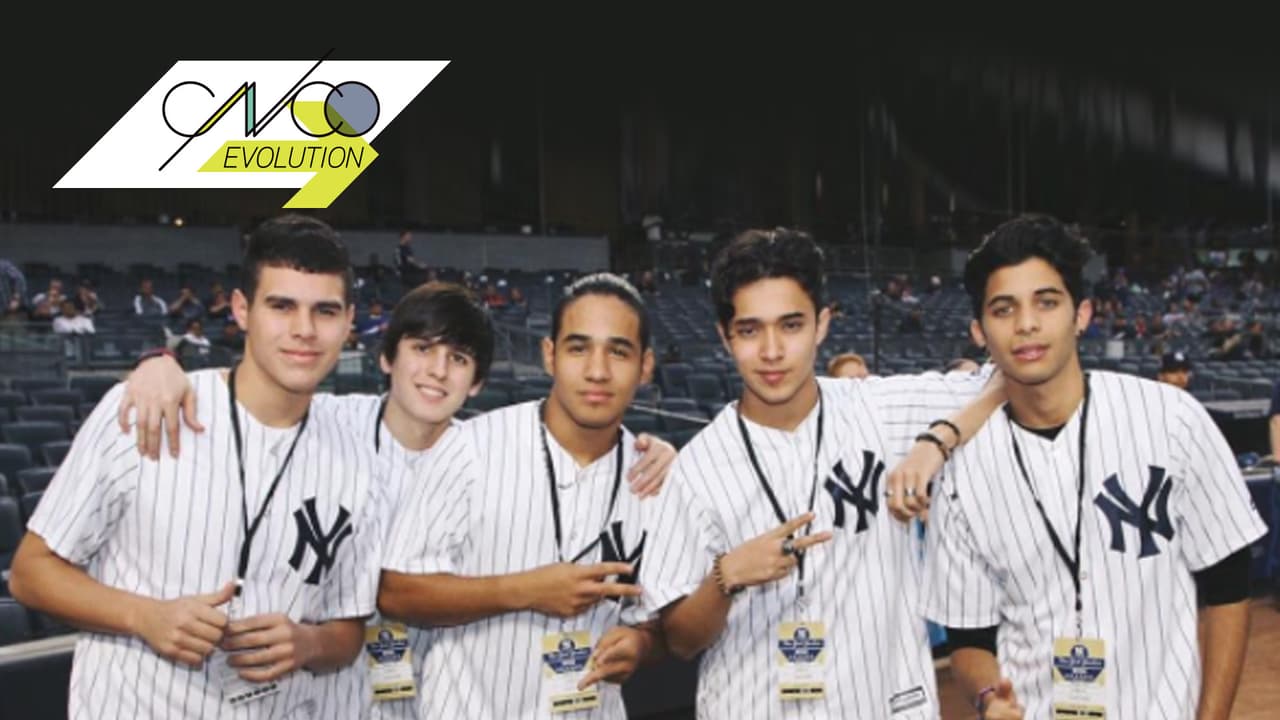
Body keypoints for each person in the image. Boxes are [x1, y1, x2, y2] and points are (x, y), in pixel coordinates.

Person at [119, 280, 679, 720]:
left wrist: (662, 454)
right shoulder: (324, 426)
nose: (437, 371)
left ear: (476, 383)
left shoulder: (476, 454)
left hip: (433, 692)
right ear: (387, 357)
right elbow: (250, 395)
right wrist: (157, 362)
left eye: (458, 359)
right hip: (325, 688)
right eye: (422, 349)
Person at [9, 214, 385, 719]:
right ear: (242, 309)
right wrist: (143, 615)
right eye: (281, 306)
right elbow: (30, 573)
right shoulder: (144, 409)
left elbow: (348, 628)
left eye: (325, 311)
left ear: (349, 321)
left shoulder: (359, 456)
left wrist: (309, 643)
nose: (304, 330)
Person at [639, 229, 1008, 718]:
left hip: (881, 705)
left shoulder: (880, 408)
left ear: (822, 324)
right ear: (725, 336)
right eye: (749, 330)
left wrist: (936, 441)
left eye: (791, 325)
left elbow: (1012, 374)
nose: (772, 350)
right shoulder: (696, 468)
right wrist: (725, 577)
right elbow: (681, 640)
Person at [922, 214, 1265, 719]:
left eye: (1046, 302)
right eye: (1003, 309)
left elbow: (1229, 587)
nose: (1026, 324)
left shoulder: (1172, 419)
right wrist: (989, 696)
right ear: (979, 331)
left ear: (1081, 314)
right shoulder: (962, 474)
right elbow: (969, 638)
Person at [376, 273, 674, 718]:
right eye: (578, 348)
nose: (597, 370)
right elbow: (397, 592)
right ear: (549, 355)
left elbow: (668, 626)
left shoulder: (656, 477)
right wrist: (524, 590)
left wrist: (643, 643)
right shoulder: (470, 447)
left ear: (645, 366)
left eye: (618, 352)